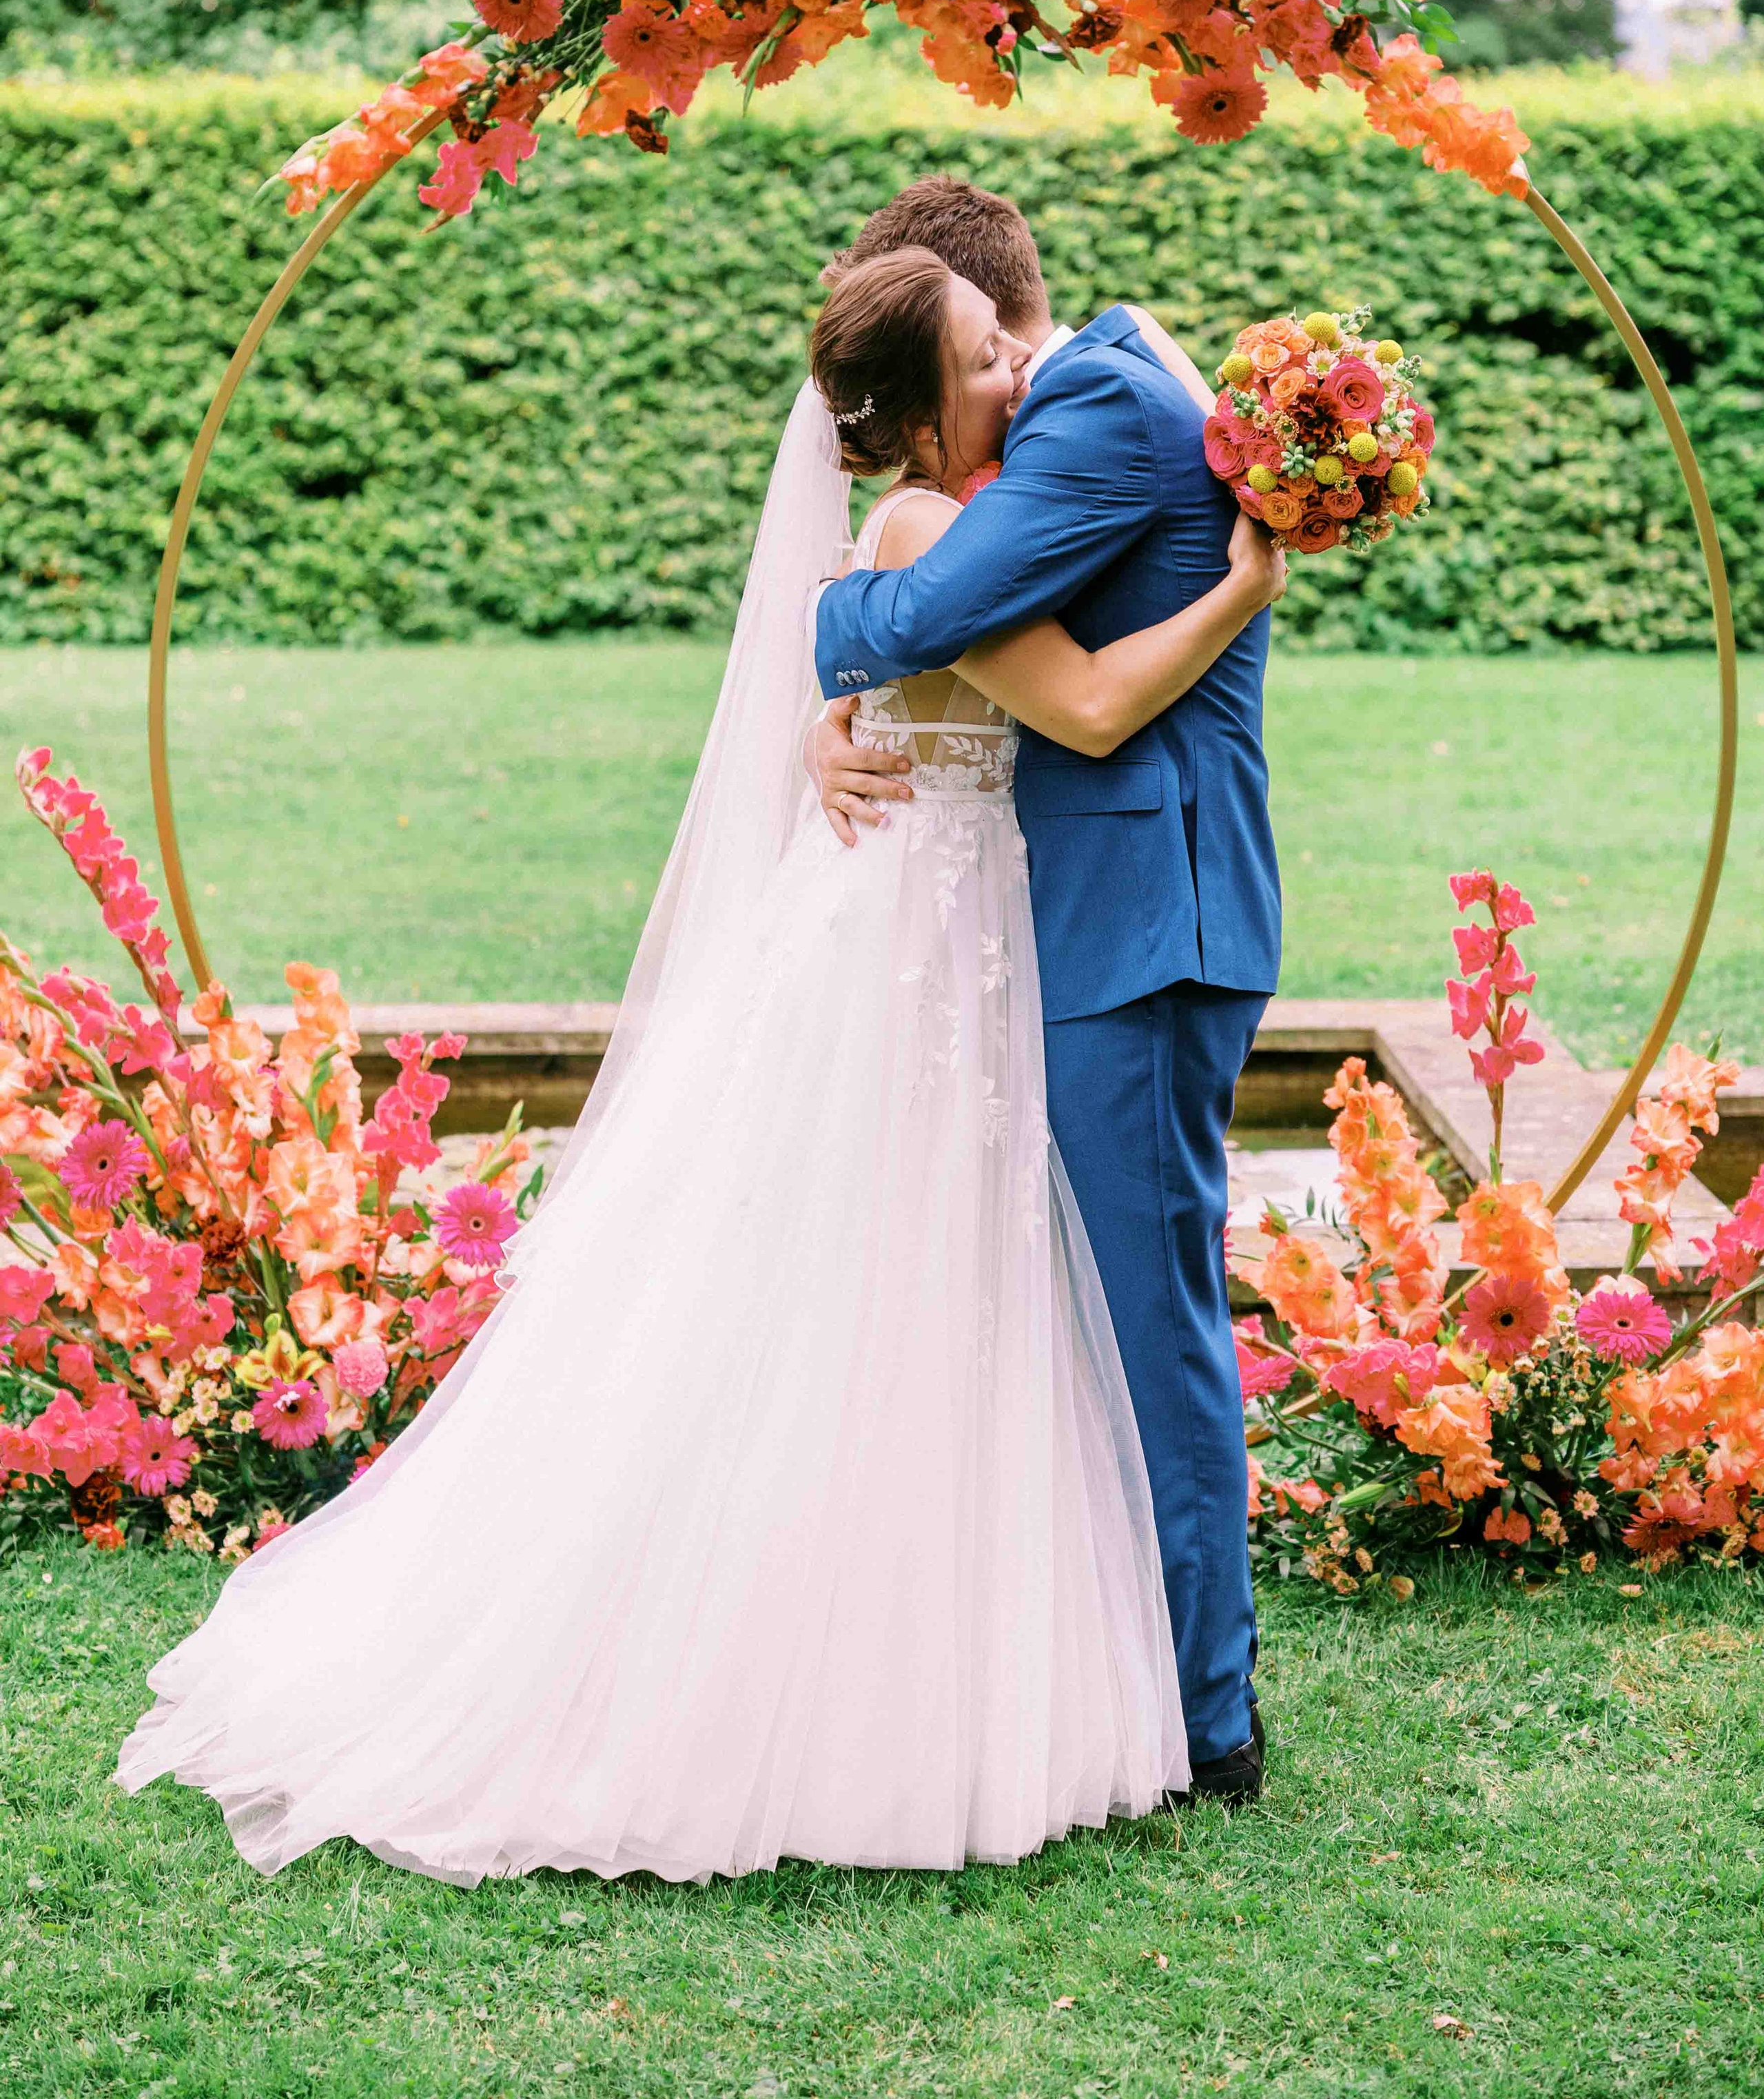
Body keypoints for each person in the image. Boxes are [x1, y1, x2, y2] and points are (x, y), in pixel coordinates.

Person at [114, 243, 1282, 1885]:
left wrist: (845, 684)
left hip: (988, 943)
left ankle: (1054, 1651)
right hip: (939, 950)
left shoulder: (988, 494)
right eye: (978, 361)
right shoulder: (939, 531)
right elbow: (1070, 704)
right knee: (903, 1303)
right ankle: (969, 1670)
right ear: (913, 421)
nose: (1014, 373)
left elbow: (964, 672)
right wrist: (1240, 585)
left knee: (978, 1298)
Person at [811, 178, 1283, 1803]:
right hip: (1090, 914)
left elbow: (950, 616)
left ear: (987, 323)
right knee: (1090, 1309)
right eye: (977, 376)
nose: (1000, 389)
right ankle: (1132, 1678)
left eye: (983, 357)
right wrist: (852, 686)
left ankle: (1207, 1721)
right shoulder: (1098, 387)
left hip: (1143, 918)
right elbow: (963, 637)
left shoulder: (1088, 397)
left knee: (1153, 1324)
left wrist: (833, 632)